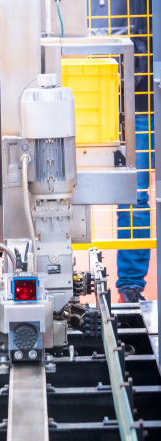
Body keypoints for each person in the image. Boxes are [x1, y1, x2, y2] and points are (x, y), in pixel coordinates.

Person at [90, 0, 153, 303]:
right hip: (90, 99)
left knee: (137, 196)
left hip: (137, 101)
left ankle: (130, 285)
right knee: (64, 193)